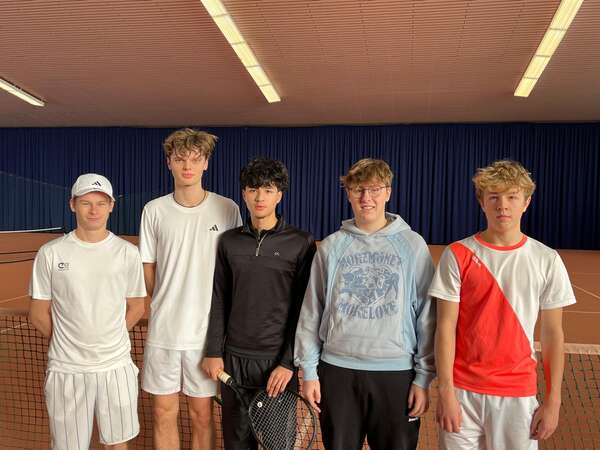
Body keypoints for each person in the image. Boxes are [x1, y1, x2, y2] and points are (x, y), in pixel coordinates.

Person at [430, 160, 576, 450]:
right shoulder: (457, 254)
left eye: (512, 197)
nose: (503, 206)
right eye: (494, 197)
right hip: (462, 392)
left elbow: (552, 334)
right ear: (481, 202)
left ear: (526, 202)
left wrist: (553, 401)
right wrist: (445, 391)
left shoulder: (546, 259)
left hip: (518, 394)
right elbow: (445, 327)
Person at [294, 158, 436, 450]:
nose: (366, 198)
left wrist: (423, 378)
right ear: (348, 193)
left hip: (396, 374)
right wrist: (308, 370)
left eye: (374, 189)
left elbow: (428, 315)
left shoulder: (412, 245)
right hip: (338, 372)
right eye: (358, 189)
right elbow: (312, 311)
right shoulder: (331, 246)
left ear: (388, 192)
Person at [201, 157, 316, 450]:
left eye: (268, 189)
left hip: (276, 365)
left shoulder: (301, 243)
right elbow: (219, 298)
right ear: (244, 194)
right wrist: (213, 351)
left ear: (279, 195)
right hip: (234, 362)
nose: (259, 197)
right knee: (237, 444)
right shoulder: (228, 242)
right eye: (253, 189)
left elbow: (304, 310)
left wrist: (287, 363)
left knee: (278, 445)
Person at [139, 128, 241, 450]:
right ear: (168, 162)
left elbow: (235, 268)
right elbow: (148, 267)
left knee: (202, 416)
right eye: (180, 159)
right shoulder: (153, 210)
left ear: (206, 163)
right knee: (162, 413)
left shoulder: (227, 209)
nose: (187, 166)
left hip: (206, 338)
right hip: (164, 334)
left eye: (195, 159)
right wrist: (167, 300)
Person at [29, 173, 147, 450]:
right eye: (86, 203)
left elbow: (137, 306)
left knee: (117, 444)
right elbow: (38, 312)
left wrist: (109, 336)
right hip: (66, 368)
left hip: (115, 366)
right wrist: (68, 341)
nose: (94, 210)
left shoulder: (127, 253)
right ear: (73, 204)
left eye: (101, 203)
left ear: (111, 206)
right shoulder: (50, 253)